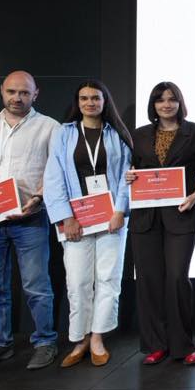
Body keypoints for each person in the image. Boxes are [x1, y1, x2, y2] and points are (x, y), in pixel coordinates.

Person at [0, 71, 62, 373]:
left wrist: (39, 198)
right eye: (11, 91)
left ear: (36, 94)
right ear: (2, 91)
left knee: (36, 285)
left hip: (29, 218)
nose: (17, 98)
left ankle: (45, 342)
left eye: (24, 92)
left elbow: (55, 172)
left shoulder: (49, 127)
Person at [43, 81, 132, 367]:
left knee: (108, 279)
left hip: (111, 217)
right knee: (78, 281)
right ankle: (79, 338)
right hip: (76, 218)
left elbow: (127, 177)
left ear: (105, 101)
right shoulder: (64, 134)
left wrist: (120, 211)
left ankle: (97, 337)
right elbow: (53, 178)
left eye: (95, 98)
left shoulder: (117, 134)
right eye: (84, 98)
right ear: (77, 102)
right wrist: (65, 217)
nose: (90, 103)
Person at [128, 81, 195, 367]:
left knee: (176, 278)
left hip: (181, 213)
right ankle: (155, 345)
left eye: (172, 99)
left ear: (179, 102)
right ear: (153, 104)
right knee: (149, 280)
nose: (166, 104)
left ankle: (183, 345)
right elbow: (132, 168)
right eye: (160, 100)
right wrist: (129, 176)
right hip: (145, 216)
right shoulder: (138, 135)